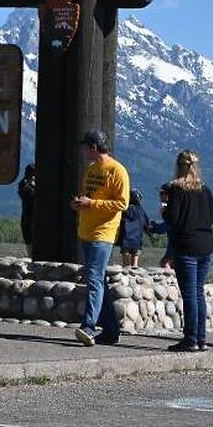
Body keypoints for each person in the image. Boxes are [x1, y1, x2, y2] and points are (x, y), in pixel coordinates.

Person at [71, 129, 129, 347]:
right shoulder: (91, 169)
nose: (84, 150)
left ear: (93, 147)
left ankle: (88, 326)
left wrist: (92, 204)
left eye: (85, 146)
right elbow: (91, 197)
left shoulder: (117, 170)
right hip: (86, 230)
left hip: (103, 233)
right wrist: (79, 204)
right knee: (98, 281)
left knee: (94, 278)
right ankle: (111, 330)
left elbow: (122, 203)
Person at [163, 150, 213, 352]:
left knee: (189, 294)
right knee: (198, 292)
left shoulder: (177, 190)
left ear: (178, 166)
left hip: (187, 246)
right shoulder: (205, 189)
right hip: (206, 245)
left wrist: (165, 207)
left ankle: (190, 338)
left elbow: (173, 219)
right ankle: (201, 338)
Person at [116, 189, 150, 268]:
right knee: (135, 266)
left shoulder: (124, 210)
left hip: (125, 241)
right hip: (137, 241)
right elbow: (146, 225)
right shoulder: (142, 211)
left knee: (125, 266)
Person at [17, 163, 36, 259]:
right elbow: (31, 195)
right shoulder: (26, 188)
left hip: (27, 220)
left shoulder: (22, 185)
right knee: (30, 246)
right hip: (30, 221)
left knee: (29, 246)